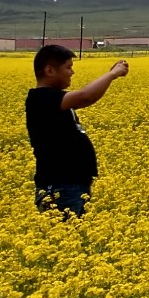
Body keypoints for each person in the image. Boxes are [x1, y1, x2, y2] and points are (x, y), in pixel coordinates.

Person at [26, 42, 126, 216]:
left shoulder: (53, 99)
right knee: (64, 236)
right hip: (59, 188)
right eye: (68, 67)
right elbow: (86, 97)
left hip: (71, 186)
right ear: (49, 70)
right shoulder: (41, 99)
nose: (72, 72)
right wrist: (113, 74)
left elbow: (86, 97)